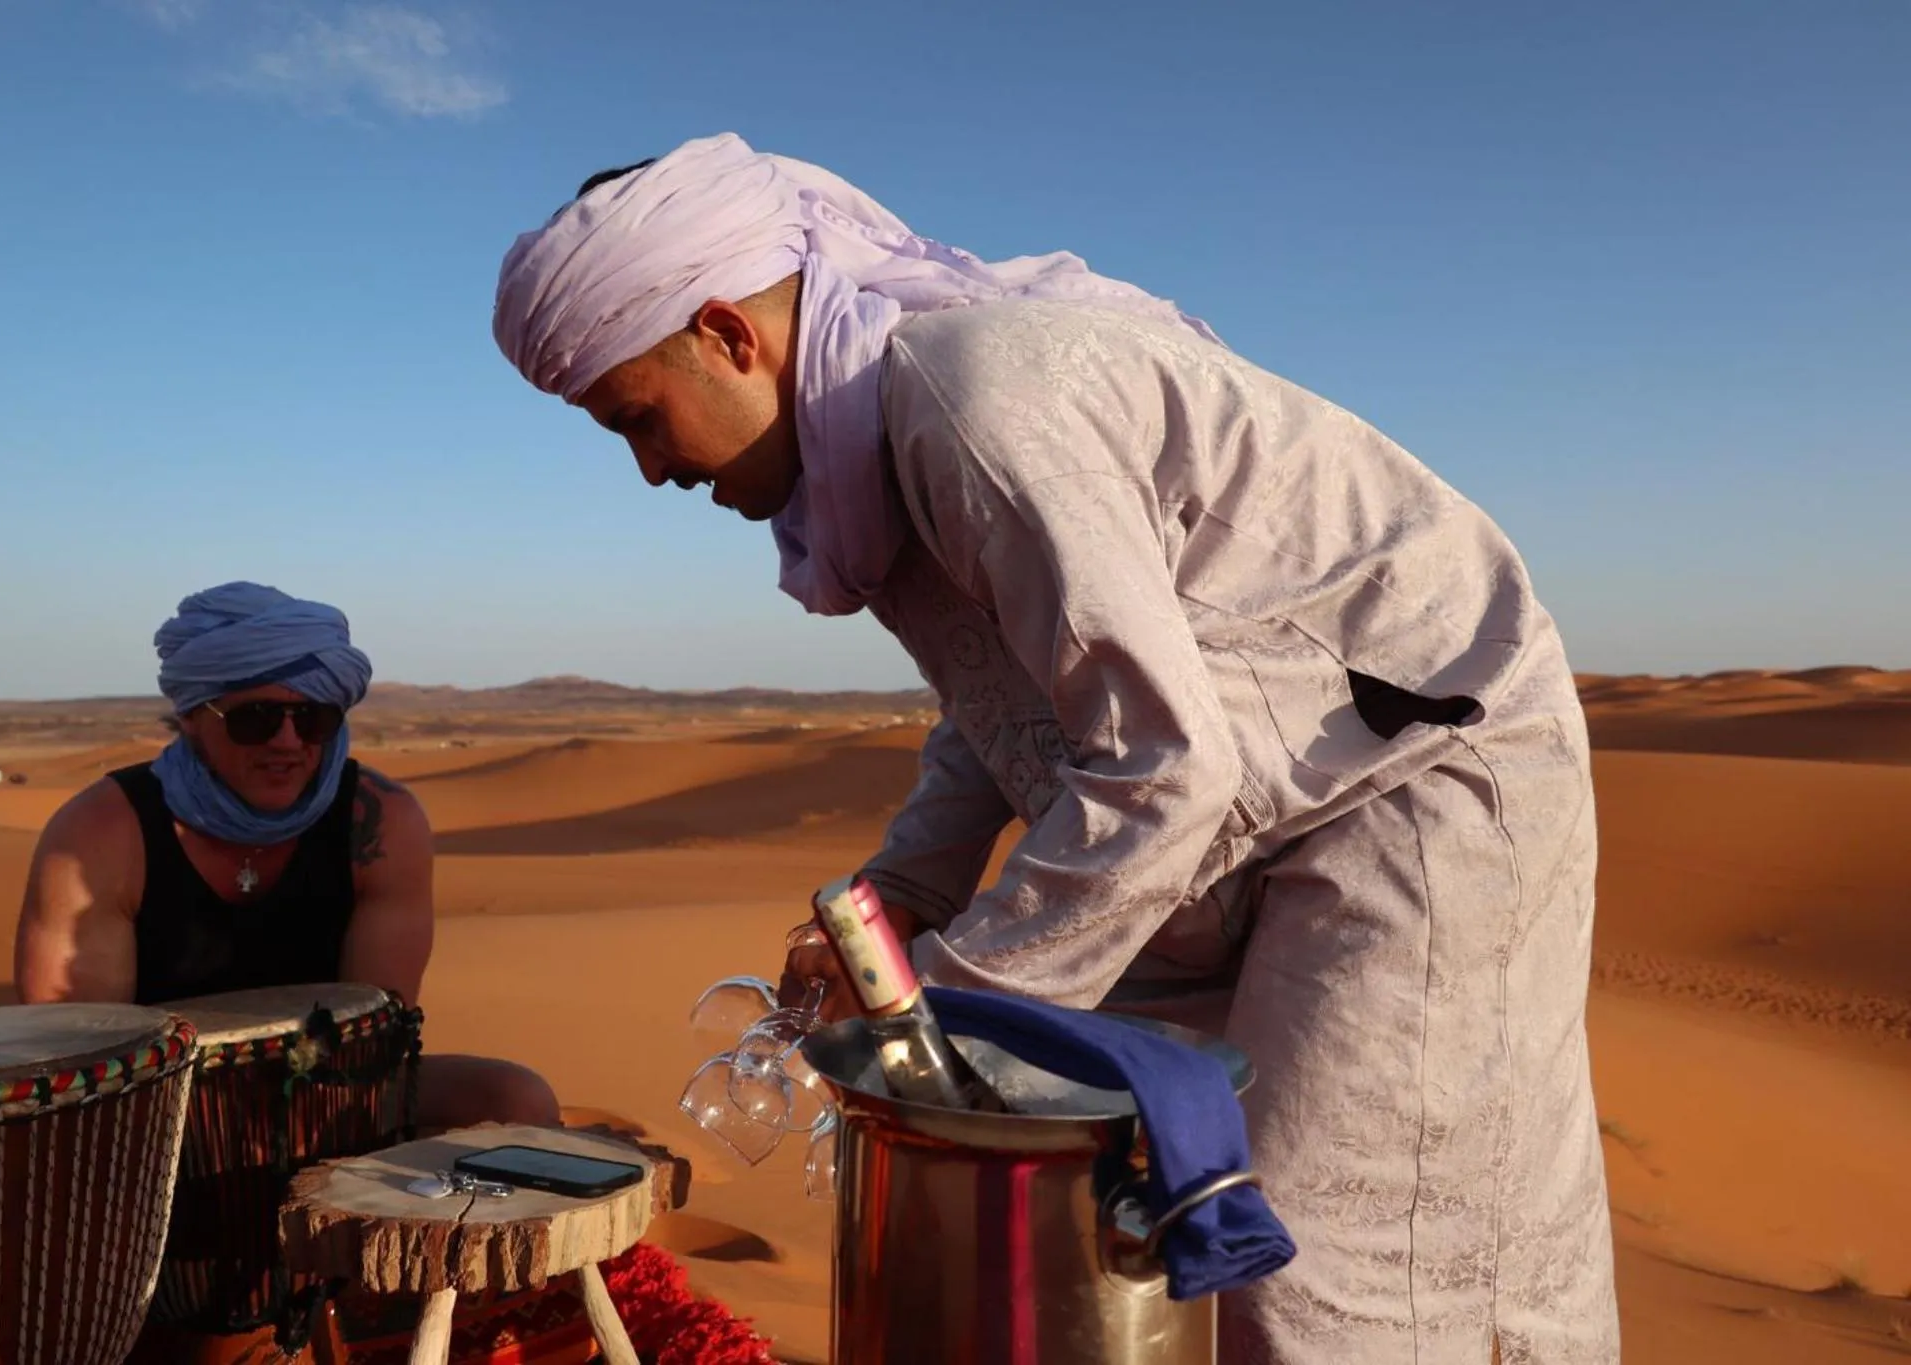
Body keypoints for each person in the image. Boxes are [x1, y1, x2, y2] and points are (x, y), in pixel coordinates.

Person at [489, 133, 1618, 1364]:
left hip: (1402, 790)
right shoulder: (876, 447)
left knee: (1324, 1268)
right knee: (1136, 1210)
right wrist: (905, 892)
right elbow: (1007, 705)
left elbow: (1164, 766)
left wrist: (944, 1017)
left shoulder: (976, 403)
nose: (651, 470)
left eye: (637, 420)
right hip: (1229, 834)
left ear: (725, 335)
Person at [13, 580, 559, 1131]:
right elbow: (81, 1059)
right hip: (154, 1111)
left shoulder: (379, 822)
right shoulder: (102, 832)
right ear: (191, 716)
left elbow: (375, 1035)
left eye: (313, 718)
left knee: (516, 1100)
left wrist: (302, 1108)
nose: (288, 741)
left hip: (332, 1088)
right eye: (256, 718)